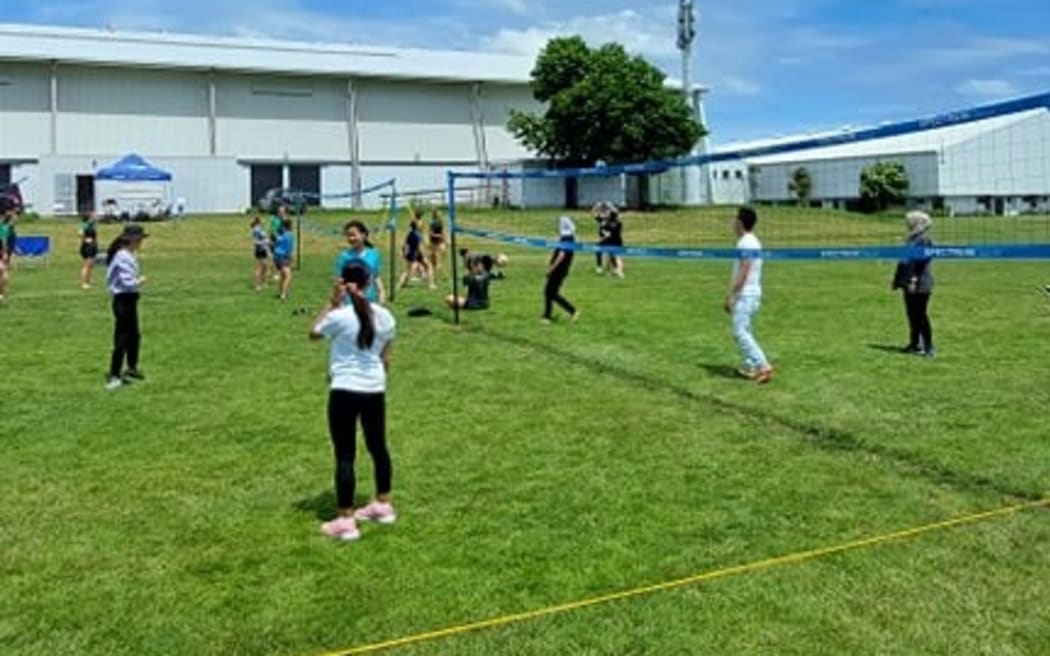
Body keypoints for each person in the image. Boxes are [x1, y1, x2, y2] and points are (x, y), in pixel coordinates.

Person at [310, 262, 397, 542]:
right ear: (370, 282)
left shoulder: (340, 316)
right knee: (378, 447)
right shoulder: (385, 316)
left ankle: (346, 520)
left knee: (345, 454)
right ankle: (383, 505)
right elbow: (386, 359)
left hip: (345, 389)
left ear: (343, 283)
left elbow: (313, 332)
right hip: (374, 389)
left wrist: (332, 302)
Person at [725, 207, 774, 384]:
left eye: (734, 220)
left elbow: (744, 271)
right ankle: (749, 365)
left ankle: (763, 365)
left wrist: (732, 295)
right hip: (753, 293)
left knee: (739, 332)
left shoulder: (745, 242)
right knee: (745, 329)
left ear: (740, 223)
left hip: (746, 294)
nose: (732, 224)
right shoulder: (753, 241)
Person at [105, 224, 148, 390]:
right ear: (133, 240)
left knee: (134, 335)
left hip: (130, 299)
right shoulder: (122, 256)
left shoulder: (129, 254)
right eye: (140, 239)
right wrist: (140, 281)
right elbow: (127, 282)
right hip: (123, 299)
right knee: (122, 338)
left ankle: (131, 367)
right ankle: (114, 374)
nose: (141, 242)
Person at [892, 211, 935, 357]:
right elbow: (905, 261)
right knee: (912, 315)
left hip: (920, 282)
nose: (906, 224)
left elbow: (922, 261)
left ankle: (929, 347)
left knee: (921, 315)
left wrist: (913, 279)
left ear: (917, 223)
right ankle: (914, 344)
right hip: (909, 282)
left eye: (909, 221)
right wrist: (899, 280)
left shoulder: (924, 239)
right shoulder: (912, 239)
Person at [334, 220, 386, 304]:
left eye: (354, 235)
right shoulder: (344, 257)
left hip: (369, 301)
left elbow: (376, 276)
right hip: (350, 303)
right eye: (348, 235)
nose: (351, 238)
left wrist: (382, 293)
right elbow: (340, 281)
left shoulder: (374, 254)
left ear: (364, 235)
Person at [542, 216, 579, 324]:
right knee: (549, 292)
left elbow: (561, 255)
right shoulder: (569, 238)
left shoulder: (566, 239)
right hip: (562, 269)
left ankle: (572, 311)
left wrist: (551, 268)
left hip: (559, 269)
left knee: (551, 292)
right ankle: (547, 316)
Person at [397, 218, 434, 290]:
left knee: (428, 266)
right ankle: (400, 284)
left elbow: (405, 244)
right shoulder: (417, 235)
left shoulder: (410, 234)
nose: (421, 224)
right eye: (419, 224)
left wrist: (404, 253)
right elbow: (419, 246)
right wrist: (425, 254)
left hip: (412, 254)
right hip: (415, 254)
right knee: (409, 271)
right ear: (416, 226)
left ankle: (431, 284)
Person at [273, 218, 295, 300]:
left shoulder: (281, 235)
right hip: (283, 256)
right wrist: (290, 258)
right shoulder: (290, 235)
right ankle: (283, 294)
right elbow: (289, 248)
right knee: (288, 276)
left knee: (282, 276)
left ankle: (279, 293)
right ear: (289, 226)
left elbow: (276, 243)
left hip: (276, 255)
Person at [79, 214, 100, 289]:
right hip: (87, 247)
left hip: (92, 247)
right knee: (87, 265)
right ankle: (84, 283)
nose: (96, 218)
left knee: (91, 265)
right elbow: (80, 233)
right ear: (90, 218)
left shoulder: (93, 225)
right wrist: (85, 240)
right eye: (94, 217)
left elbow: (94, 236)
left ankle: (88, 280)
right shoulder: (85, 225)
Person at [250, 215, 269, 291]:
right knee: (259, 268)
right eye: (262, 220)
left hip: (264, 249)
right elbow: (255, 242)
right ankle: (257, 285)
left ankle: (263, 283)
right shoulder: (256, 230)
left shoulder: (260, 229)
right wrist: (265, 242)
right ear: (259, 221)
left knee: (265, 267)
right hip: (259, 250)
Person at [427, 208, 446, 276]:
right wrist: (439, 236)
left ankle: (438, 264)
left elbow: (442, 231)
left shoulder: (440, 221)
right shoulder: (432, 223)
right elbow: (430, 233)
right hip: (433, 241)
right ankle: (431, 269)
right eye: (439, 213)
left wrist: (445, 239)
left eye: (440, 213)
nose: (440, 214)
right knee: (433, 258)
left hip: (440, 240)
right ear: (435, 214)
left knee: (443, 250)